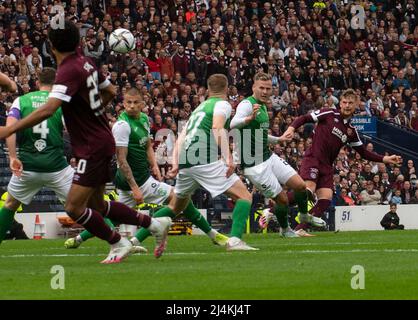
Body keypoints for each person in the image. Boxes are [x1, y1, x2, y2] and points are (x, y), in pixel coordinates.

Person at [0, 21, 171, 264]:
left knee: (73, 207)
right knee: (97, 206)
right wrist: (90, 112)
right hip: (99, 140)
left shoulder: (68, 69)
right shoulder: (87, 62)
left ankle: (118, 242)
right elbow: (111, 91)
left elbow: (49, 109)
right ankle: (154, 223)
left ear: (50, 46)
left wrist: (9, 129)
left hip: (91, 146)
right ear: (78, 42)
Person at [65, 88, 229, 249]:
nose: (131, 106)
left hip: (138, 179)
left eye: (136, 102)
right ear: (123, 103)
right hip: (137, 181)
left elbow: (148, 145)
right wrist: (136, 188)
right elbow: (121, 160)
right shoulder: (122, 125)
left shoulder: (143, 119)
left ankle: (78, 239)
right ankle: (211, 234)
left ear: (143, 104)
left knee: (115, 216)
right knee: (179, 199)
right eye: (128, 102)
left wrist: (155, 166)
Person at [151, 73, 258, 251]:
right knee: (244, 197)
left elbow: (181, 136)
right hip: (203, 159)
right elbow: (217, 127)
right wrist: (228, 158)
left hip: (186, 160)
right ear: (227, 89)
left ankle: (134, 240)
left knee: (175, 206)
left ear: (208, 90)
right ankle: (235, 241)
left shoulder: (200, 107)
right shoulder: (222, 104)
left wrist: (176, 162)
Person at [281, 89, 402, 234]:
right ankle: (272, 209)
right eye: (344, 102)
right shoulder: (329, 113)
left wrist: (385, 159)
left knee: (325, 199)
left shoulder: (351, 130)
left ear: (356, 104)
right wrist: (291, 128)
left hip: (326, 166)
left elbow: (363, 152)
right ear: (341, 103)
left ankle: (300, 230)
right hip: (313, 158)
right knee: (308, 190)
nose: (347, 105)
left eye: (351, 103)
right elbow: (304, 118)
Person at [230, 72, 325, 238]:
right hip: (254, 165)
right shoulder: (247, 105)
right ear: (254, 87)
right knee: (282, 199)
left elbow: (260, 135)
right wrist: (248, 118)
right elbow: (233, 123)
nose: (265, 91)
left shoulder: (263, 106)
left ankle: (303, 215)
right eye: (261, 88)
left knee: (301, 186)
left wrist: (278, 139)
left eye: (268, 88)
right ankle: (285, 229)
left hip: (268, 156)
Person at [0, 68, 75, 244]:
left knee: (10, 205)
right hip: (57, 168)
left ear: (37, 82)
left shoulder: (22, 100)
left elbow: (10, 129)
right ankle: (116, 240)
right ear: (56, 84)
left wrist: (12, 157)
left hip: (28, 166)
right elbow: (74, 132)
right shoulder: (60, 103)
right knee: (85, 202)